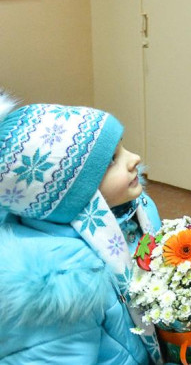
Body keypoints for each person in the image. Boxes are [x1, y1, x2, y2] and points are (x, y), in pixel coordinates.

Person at [0, 94, 163, 364]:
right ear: (73, 196)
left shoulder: (135, 212)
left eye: (123, 148)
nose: (134, 158)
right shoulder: (59, 285)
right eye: (111, 160)